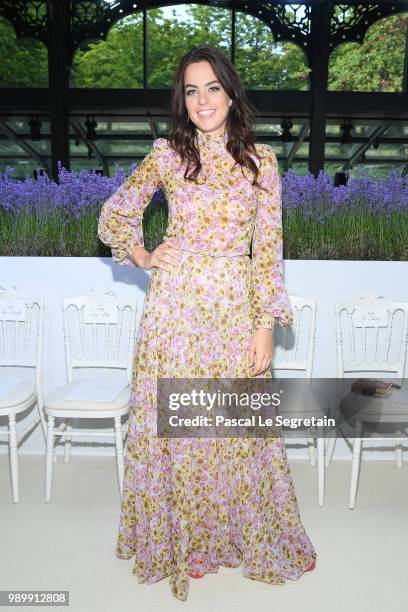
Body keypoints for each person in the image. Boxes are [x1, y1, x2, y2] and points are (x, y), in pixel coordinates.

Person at [97, 44, 317, 602]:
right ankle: (187, 542)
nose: (202, 100)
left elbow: (268, 249)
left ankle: (236, 537)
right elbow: (115, 214)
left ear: (230, 91)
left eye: (212, 87)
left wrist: (264, 323)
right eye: (191, 91)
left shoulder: (260, 161)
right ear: (183, 99)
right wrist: (145, 256)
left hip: (235, 306)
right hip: (174, 313)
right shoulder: (169, 155)